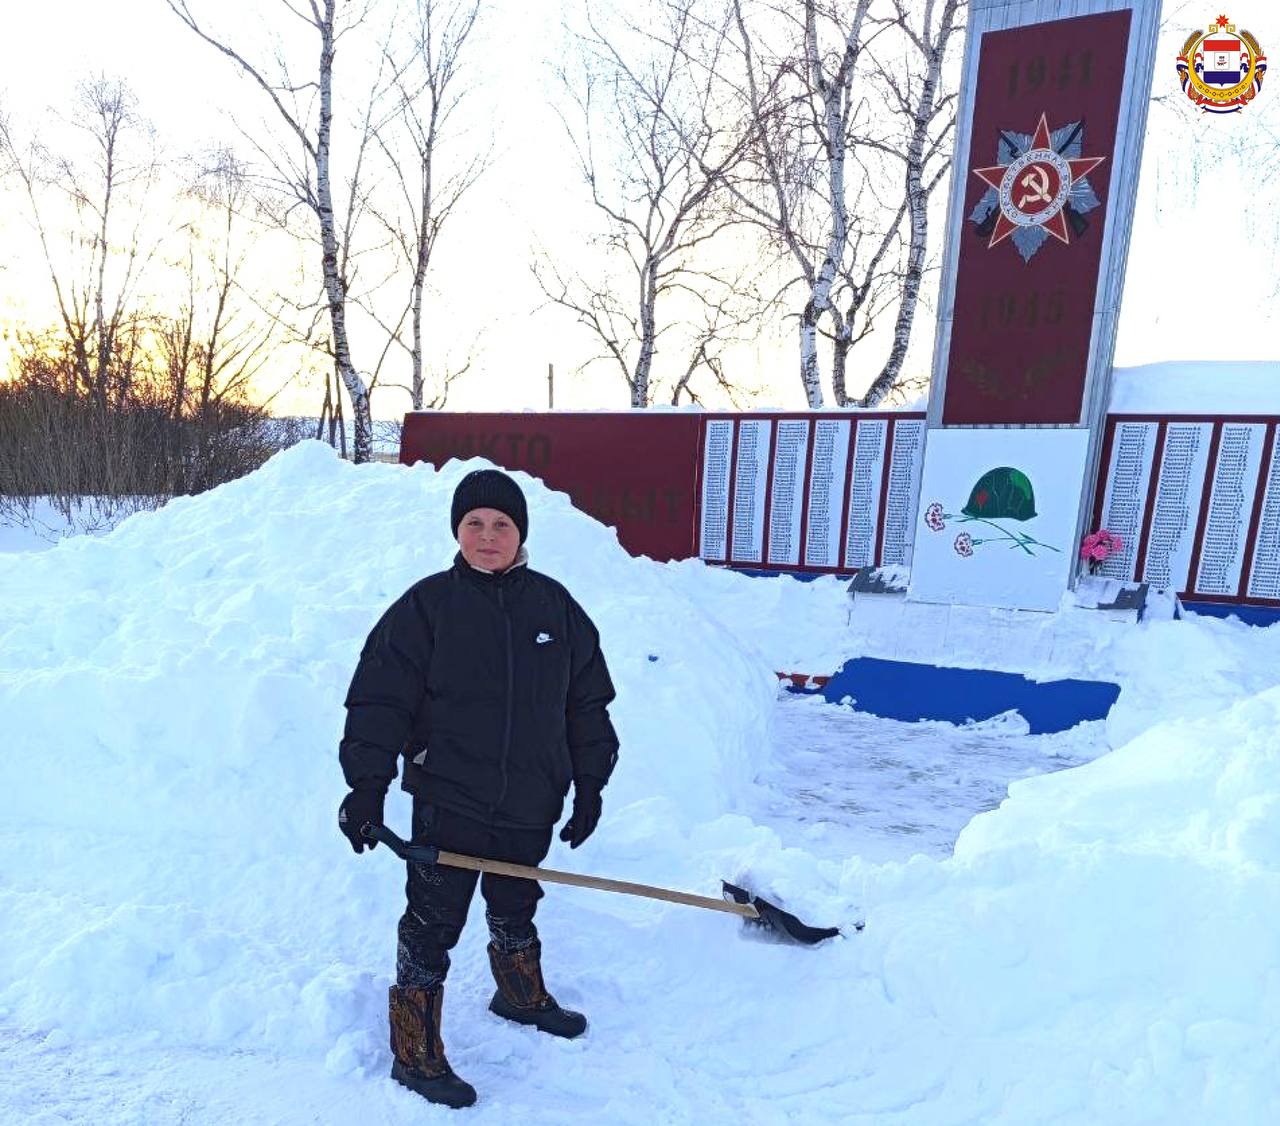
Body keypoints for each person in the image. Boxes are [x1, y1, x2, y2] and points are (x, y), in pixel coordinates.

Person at [337, 468, 620, 1109]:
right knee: (434, 919)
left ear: (520, 531)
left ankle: (518, 993)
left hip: (530, 797)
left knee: (516, 898)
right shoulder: (426, 607)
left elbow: (587, 706)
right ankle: (414, 1048)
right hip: (450, 794)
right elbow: (380, 701)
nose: (487, 536)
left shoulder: (556, 609)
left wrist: (590, 783)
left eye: (501, 524)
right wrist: (367, 789)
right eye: (473, 524)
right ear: (456, 531)